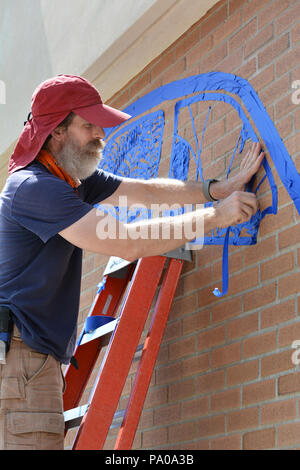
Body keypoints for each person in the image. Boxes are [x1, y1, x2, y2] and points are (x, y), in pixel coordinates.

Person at [0, 74, 263, 450]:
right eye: (88, 125)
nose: (99, 135)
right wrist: (215, 216)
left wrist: (214, 190)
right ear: (56, 131)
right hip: (22, 363)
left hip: (28, 362)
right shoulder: (36, 189)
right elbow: (127, 241)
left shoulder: (67, 179)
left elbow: (142, 192)